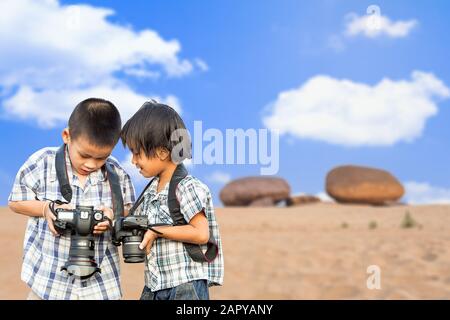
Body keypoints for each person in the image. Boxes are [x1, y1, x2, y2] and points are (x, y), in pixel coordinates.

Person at [8, 98, 135, 300]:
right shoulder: (42, 163)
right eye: (84, 155)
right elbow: (15, 201)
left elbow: (129, 212)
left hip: (101, 287)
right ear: (67, 136)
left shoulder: (116, 174)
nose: (91, 164)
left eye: (101, 157)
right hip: (49, 283)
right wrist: (46, 209)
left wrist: (112, 215)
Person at [120, 100, 224, 300]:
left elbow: (201, 233)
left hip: (184, 285)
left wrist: (156, 231)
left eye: (137, 153)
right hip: (155, 285)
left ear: (162, 152)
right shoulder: (151, 191)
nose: (133, 161)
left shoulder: (186, 187)